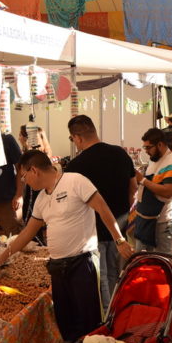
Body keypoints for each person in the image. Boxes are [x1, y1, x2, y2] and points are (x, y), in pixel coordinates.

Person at [0, 150, 133, 342]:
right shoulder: (41, 199)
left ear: (34, 170)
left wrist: (119, 239)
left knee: (88, 320)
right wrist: (3, 256)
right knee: (66, 320)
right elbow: (27, 233)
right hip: (57, 266)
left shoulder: (75, 181)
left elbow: (102, 208)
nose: (24, 181)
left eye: (24, 176)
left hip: (83, 263)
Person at [65, 115, 137, 307]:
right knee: (116, 274)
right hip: (119, 227)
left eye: (72, 139)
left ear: (77, 138)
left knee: (101, 278)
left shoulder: (75, 166)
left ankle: (108, 319)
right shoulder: (121, 154)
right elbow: (133, 188)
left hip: (93, 231)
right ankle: (118, 311)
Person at [133, 128, 172, 254]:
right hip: (147, 218)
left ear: (160, 144)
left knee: (164, 255)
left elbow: (168, 191)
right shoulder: (154, 159)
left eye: (149, 147)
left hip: (164, 219)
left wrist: (143, 180)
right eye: (144, 147)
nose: (146, 151)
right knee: (143, 255)